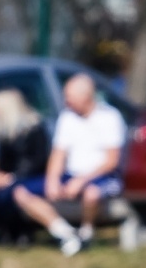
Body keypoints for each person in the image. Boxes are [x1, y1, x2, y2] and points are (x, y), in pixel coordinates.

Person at [13, 73, 126, 256]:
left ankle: (86, 233)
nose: (66, 102)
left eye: (69, 97)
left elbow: (112, 161)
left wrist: (81, 181)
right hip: (72, 174)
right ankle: (64, 232)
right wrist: (52, 179)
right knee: (21, 192)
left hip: (102, 176)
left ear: (86, 97)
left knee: (91, 193)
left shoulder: (110, 117)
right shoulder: (67, 118)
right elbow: (58, 154)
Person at [0, 88, 51, 247]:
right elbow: (4, 162)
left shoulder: (35, 128)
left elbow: (38, 161)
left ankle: (21, 232)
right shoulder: (5, 132)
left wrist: (13, 177)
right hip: (11, 176)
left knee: (7, 194)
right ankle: (4, 230)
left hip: (32, 177)